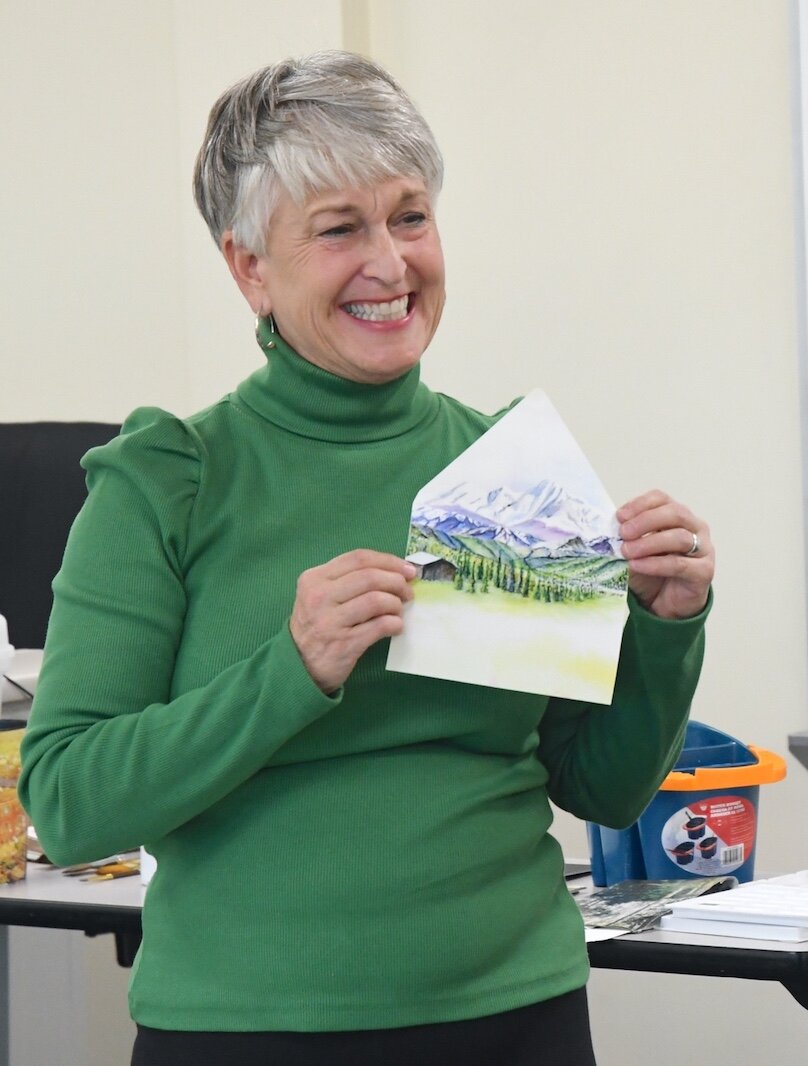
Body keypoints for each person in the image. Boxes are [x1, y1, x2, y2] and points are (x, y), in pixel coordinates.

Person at [19, 50, 714, 1066]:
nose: (389, 264)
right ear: (248, 267)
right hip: (247, 1032)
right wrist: (289, 669)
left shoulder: (502, 468)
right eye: (340, 228)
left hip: (518, 1015)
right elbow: (72, 803)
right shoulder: (170, 478)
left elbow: (601, 786)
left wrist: (663, 624)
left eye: (411, 216)